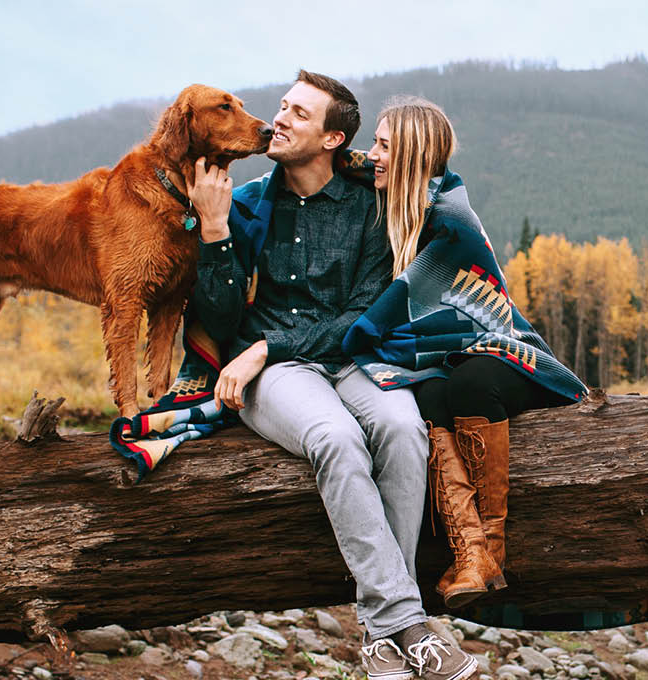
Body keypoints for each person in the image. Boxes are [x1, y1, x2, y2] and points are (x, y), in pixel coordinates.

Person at [187, 72, 478, 680]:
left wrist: (265, 343)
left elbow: (361, 313)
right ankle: (410, 624)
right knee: (336, 439)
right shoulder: (242, 206)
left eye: (298, 113)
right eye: (283, 107)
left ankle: (379, 633)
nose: (280, 119)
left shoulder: (367, 205)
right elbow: (214, 318)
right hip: (276, 377)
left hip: (344, 357)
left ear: (330, 138)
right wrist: (213, 232)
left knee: (402, 427)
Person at [343, 96, 589, 609]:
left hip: (505, 353)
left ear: (412, 156)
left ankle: (488, 552)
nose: (374, 155)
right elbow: (348, 166)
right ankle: (469, 549)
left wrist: (359, 333)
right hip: (448, 361)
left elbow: (401, 306)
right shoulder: (404, 200)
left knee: (470, 384)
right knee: (427, 393)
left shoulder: (450, 219)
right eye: (375, 145)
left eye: (386, 146)